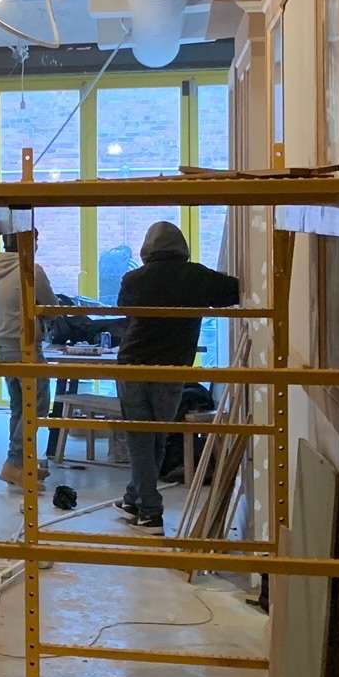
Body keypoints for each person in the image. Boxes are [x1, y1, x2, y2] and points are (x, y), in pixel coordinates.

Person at [114, 220, 239, 527]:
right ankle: (134, 498)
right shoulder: (197, 276)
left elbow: (125, 313)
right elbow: (234, 291)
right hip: (172, 369)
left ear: (147, 249)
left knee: (140, 439)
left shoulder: (133, 279)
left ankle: (150, 510)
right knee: (157, 437)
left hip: (133, 366)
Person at [0, 245, 54, 486]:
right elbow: (52, 306)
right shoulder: (31, 270)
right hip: (25, 349)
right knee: (35, 406)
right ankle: (15, 463)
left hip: (4, 348)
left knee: (19, 407)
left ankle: (22, 464)